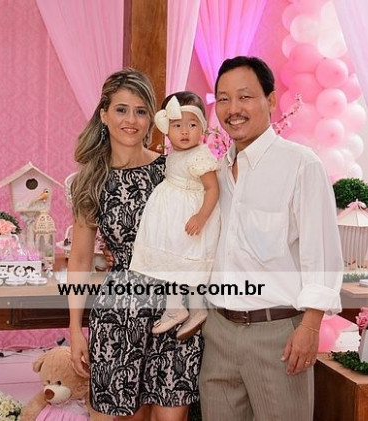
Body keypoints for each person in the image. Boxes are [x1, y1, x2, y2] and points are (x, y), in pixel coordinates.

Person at [199, 56, 344, 421]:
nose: (233, 109)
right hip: (218, 332)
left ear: (271, 100)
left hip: (277, 333)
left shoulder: (300, 165)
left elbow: (321, 254)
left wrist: (310, 327)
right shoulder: (215, 173)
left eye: (245, 96)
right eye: (224, 99)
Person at [67, 68, 202, 421]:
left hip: (176, 309)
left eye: (141, 111)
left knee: (171, 416)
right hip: (119, 313)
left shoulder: (172, 170)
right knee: (124, 415)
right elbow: (79, 259)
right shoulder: (90, 180)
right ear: (104, 115)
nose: (131, 120)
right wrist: (75, 330)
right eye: (121, 109)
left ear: (152, 119)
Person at [130, 91, 220, 340]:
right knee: (174, 261)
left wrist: (201, 216)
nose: (185, 131)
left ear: (202, 128)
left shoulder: (200, 155)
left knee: (184, 261)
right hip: (172, 216)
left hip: (190, 216)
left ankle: (186, 308)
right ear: (167, 128)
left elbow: (213, 188)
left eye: (192, 125)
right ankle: (182, 308)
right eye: (177, 125)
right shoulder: (175, 153)